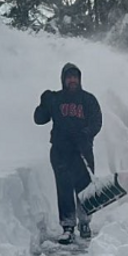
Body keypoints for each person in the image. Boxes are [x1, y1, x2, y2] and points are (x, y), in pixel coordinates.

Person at [34, 63, 103, 245]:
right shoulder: (55, 99)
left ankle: (85, 222)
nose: (72, 80)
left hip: (82, 150)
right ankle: (68, 226)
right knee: (64, 188)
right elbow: (39, 120)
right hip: (60, 150)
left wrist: (85, 134)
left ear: (80, 79)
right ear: (63, 79)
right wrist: (43, 103)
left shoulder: (88, 100)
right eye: (69, 77)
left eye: (75, 77)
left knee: (84, 188)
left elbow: (97, 122)